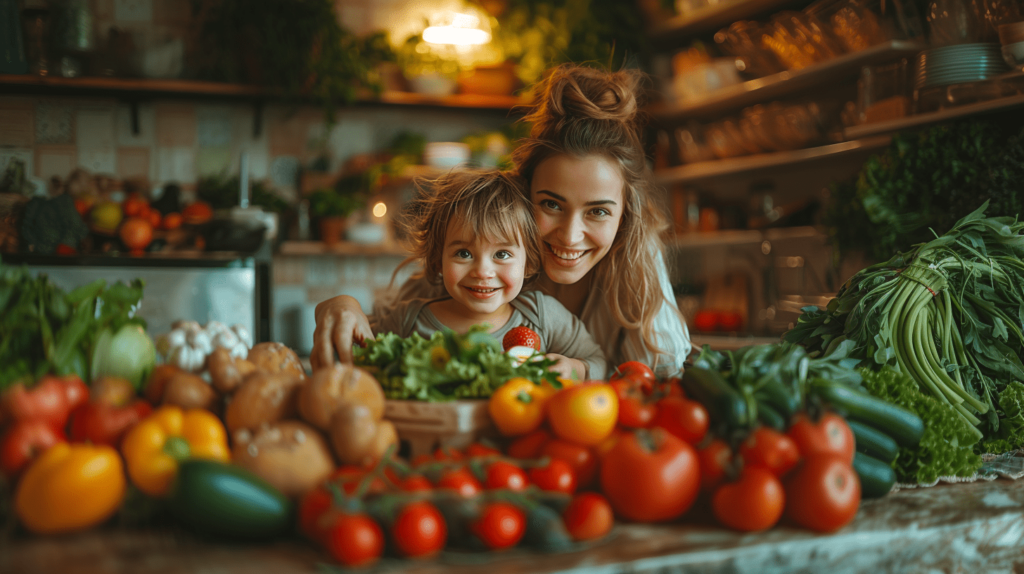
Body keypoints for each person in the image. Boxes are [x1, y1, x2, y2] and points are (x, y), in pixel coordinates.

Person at [312, 64, 691, 377]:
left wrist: (581, 371)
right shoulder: (484, 256)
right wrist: (342, 305)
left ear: (625, 215)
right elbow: (382, 330)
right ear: (523, 194)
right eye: (552, 204)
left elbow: (661, 379)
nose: (570, 235)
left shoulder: (636, 257)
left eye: (598, 211)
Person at [369, 168, 606, 381]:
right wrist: (348, 306)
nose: (482, 271)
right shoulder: (408, 320)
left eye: (502, 254)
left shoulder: (542, 316)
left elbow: (597, 362)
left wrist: (576, 368)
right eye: (463, 253)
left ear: (529, 263)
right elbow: (360, 351)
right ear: (438, 260)